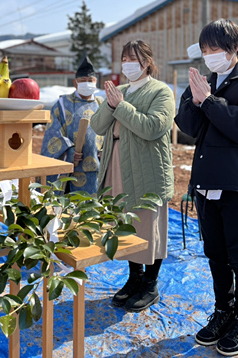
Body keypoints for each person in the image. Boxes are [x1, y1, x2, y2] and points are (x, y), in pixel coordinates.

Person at [175, 19, 238, 356]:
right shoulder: (205, 82)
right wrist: (194, 99)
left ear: (233, 49)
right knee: (215, 254)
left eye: (214, 49)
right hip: (207, 182)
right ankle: (223, 311)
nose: (209, 56)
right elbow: (187, 127)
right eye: (204, 51)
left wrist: (210, 101)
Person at [90, 39, 174, 312]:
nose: (127, 63)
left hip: (145, 168)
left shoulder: (161, 91)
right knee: (125, 224)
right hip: (116, 165)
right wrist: (111, 105)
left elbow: (153, 127)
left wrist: (122, 106)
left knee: (148, 224)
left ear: (147, 62)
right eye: (124, 58)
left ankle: (150, 283)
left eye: (133, 58)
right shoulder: (120, 91)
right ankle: (134, 277)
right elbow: (98, 126)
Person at [40, 55, 104, 195]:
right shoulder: (63, 104)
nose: (87, 84)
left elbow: (110, 132)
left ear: (96, 82)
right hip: (69, 171)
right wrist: (68, 152)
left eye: (90, 80)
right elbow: (53, 133)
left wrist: (105, 149)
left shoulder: (102, 104)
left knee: (91, 211)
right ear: (75, 83)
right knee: (67, 210)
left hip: (95, 169)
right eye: (82, 81)